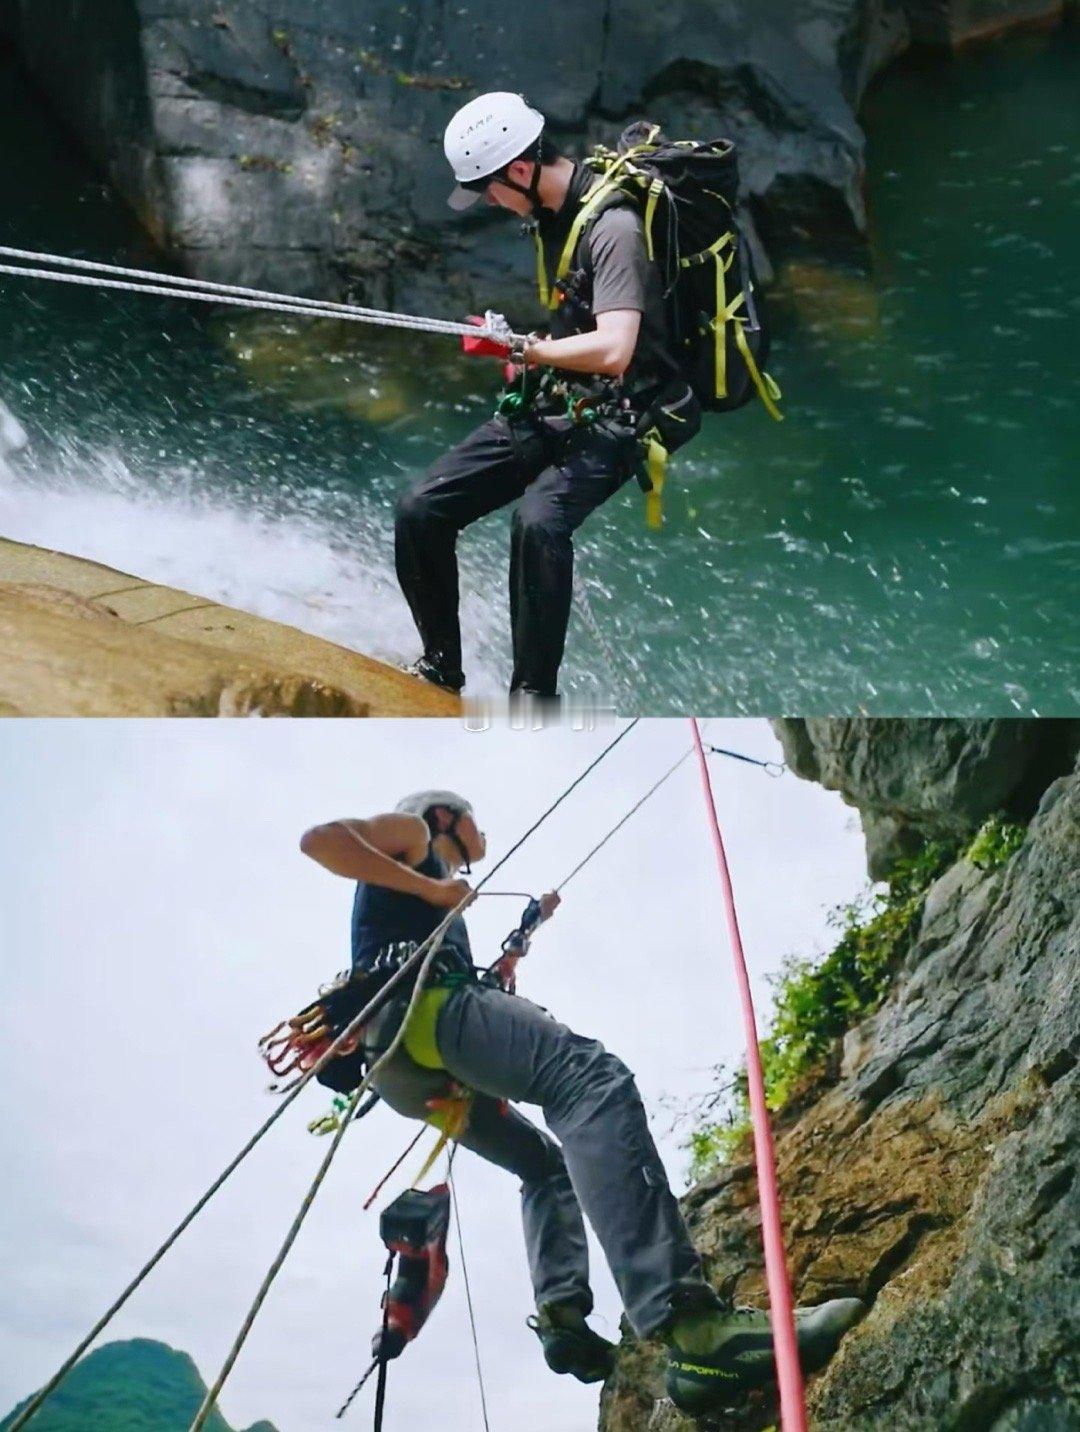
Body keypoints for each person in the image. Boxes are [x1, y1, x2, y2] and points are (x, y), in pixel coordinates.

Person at [300, 790, 864, 1414]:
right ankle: (694, 1328)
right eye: (475, 821)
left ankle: (562, 1313)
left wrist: (505, 947)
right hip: (430, 1016)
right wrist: (435, 891)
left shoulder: (423, 889)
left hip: (404, 1067)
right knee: (590, 1080)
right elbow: (322, 841)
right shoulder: (413, 832)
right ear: (444, 816)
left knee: (545, 1166)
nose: (481, 836)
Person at [395, 92, 703, 701]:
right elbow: (579, 326)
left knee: (538, 522)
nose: (489, 202)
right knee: (420, 510)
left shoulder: (613, 227)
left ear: (519, 170)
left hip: (626, 416)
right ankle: (440, 669)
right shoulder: (553, 216)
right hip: (564, 399)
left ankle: (533, 700)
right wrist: (527, 353)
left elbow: (614, 349)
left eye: (488, 189)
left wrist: (527, 352)